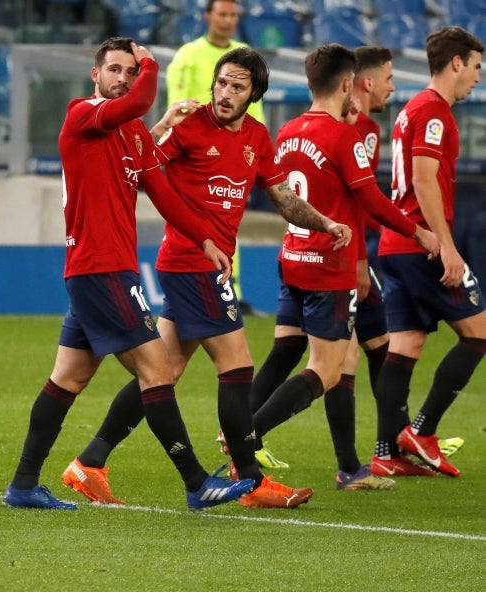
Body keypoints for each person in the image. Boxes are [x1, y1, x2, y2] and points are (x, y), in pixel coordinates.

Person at [59, 47, 354, 509]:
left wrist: (325, 223)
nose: (225, 93)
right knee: (236, 366)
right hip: (188, 261)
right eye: (221, 82)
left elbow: (282, 197)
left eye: (237, 86)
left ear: (254, 94)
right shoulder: (191, 127)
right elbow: (135, 165)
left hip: (212, 264)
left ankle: (90, 461)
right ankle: (251, 480)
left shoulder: (257, 136)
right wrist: (162, 127)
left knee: (165, 372)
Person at [3, 37, 255, 512]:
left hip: (105, 270)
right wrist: (150, 64)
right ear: (95, 76)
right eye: (114, 70)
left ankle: (23, 485)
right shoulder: (81, 113)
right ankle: (197, 483)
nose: (122, 78)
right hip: (101, 269)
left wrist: (206, 240)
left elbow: (164, 194)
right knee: (158, 370)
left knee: (68, 380)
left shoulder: (137, 133)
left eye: (129, 70)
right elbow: (138, 99)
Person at [247, 44, 439, 488]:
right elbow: (370, 199)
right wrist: (417, 231)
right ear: (348, 83)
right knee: (328, 369)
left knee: (338, 356)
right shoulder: (341, 136)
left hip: (293, 257)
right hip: (328, 267)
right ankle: (246, 436)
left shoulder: (290, 130)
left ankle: (350, 468)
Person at [370, 26, 486, 478]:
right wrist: (448, 246)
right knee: (478, 333)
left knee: (407, 343)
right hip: (422, 242)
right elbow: (422, 179)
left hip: (396, 245)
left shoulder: (410, 110)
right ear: (456, 62)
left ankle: (385, 452)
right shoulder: (434, 112)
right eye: (476, 67)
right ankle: (422, 430)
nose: (477, 77)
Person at [166, 0, 264, 314]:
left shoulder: (244, 55)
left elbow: (254, 113)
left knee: (228, 219)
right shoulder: (188, 55)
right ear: (208, 16)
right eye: (222, 13)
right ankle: (214, 285)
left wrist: (255, 154)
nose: (228, 20)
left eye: (233, 14)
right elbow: (178, 104)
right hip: (197, 153)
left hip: (237, 153)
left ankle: (229, 286)